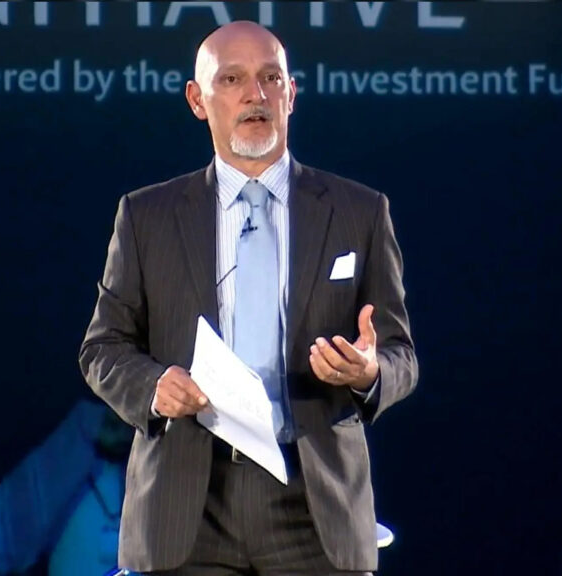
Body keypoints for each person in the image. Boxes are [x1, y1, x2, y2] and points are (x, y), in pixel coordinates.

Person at [79, 20, 418, 576]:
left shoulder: (359, 211)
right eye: (232, 79)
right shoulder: (147, 216)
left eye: (270, 78)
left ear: (291, 94)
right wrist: (155, 387)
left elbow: (400, 355)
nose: (255, 94)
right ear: (198, 100)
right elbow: (102, 349)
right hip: (186, 506)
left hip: (315, 507)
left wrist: (368, 371)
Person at [0, 399, 134, 575]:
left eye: (128, 427)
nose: (123, 436)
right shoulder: (60, 471)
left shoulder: (141, 479)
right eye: (113, 426)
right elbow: (1, 523)